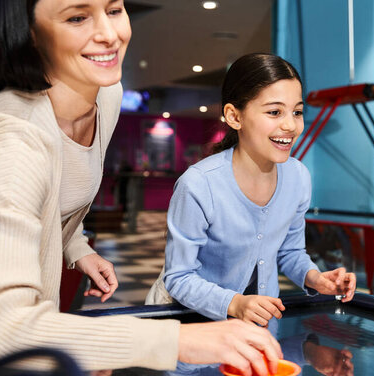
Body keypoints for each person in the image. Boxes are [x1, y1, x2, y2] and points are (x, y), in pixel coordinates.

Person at [0, 0, 281, 376]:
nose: (110, 35)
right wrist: (177, 341)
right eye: (77, 17)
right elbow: (3, 327)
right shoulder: (9, 139)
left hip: (26, 343)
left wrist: (75, 246)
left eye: (113, 10)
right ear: (28, 32)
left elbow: (51, 193)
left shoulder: (105, 94)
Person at [146, 53, 356, 325]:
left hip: (257, 324)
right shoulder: (198, 184)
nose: (290, 125)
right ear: (234, 116)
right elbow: (179, 277)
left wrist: (315, 278)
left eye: (297, 111)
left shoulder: (299, 177)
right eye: (274, 112)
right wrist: (234, 302)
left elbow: (289, 252)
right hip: (188, 322)